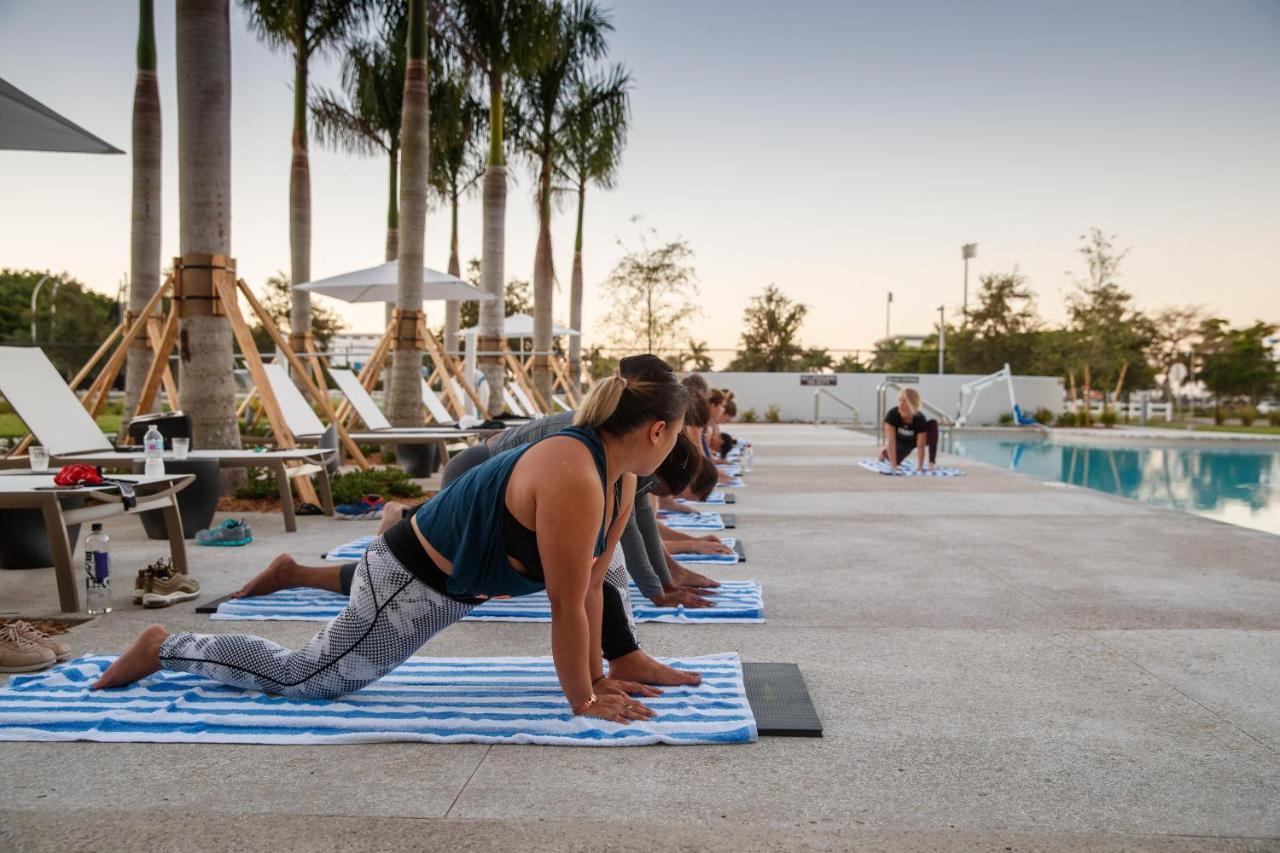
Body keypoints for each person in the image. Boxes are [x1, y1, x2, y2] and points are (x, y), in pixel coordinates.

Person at [93, 355, 692, 726]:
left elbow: (591, 582)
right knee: (309, 677)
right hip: (409, 581)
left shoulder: (622, 478)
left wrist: (598, 678)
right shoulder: (574, 473)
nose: (678, 442)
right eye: (680, 433)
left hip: (461, 583)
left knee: (602, 575)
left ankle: (206, 626)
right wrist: (582, 703)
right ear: (659, 429)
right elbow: (563, 605)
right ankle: (167, 647)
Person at [880, 387, 938, 471]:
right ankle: (883, 453)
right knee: (895, 460)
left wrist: (920, 466)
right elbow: (891, 443)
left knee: (933, 423)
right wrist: (894, 466)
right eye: (900, 400)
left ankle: (932, 462)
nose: (901, 404)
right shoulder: (892, 414)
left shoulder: (919, 418)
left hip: (913, 442)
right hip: (900, 443)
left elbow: (920, 445)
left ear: (912, 404)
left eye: (905, 401)